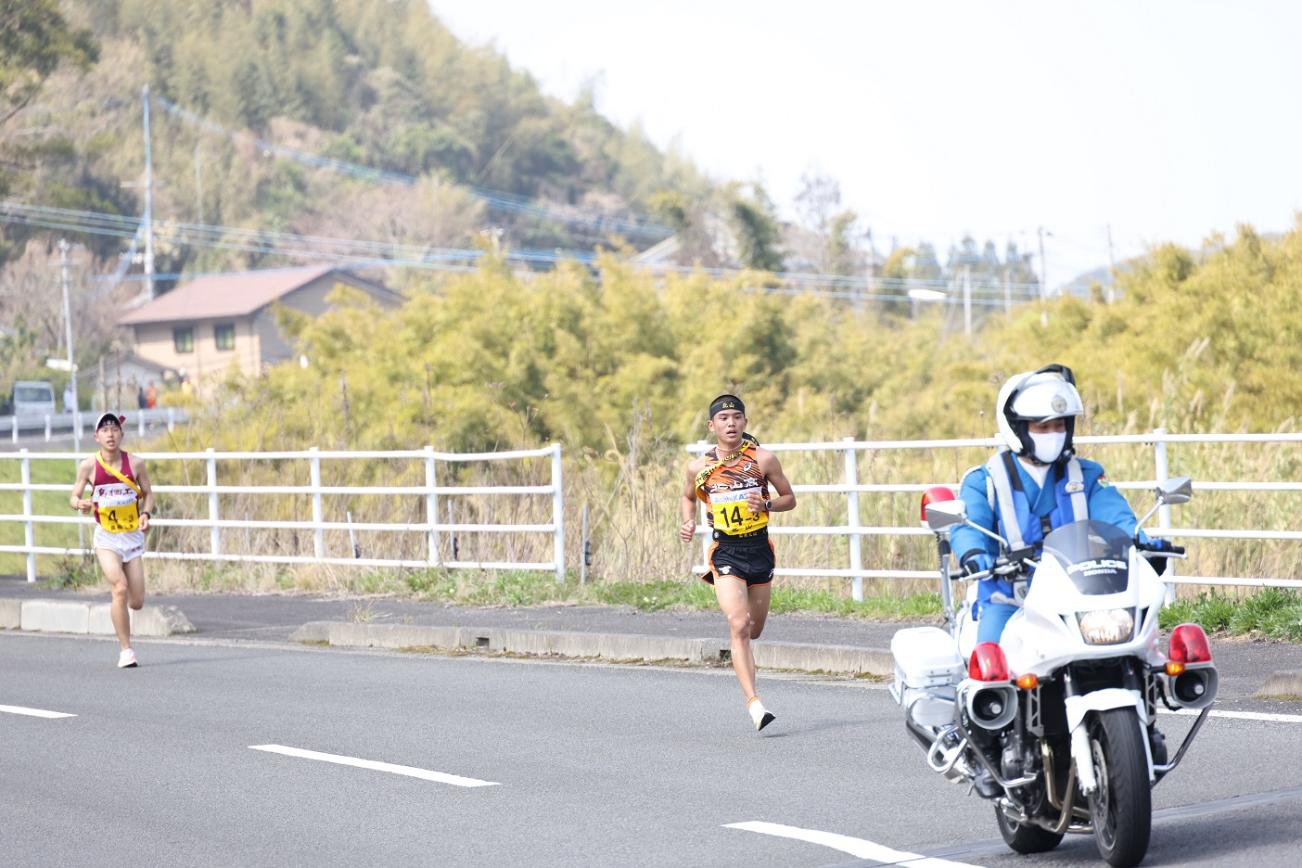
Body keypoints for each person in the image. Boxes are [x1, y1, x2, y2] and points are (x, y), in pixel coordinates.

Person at [951, 364, 1171, 645]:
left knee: (1141, 651)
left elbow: (1115, 515)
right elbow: (968, 525)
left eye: (1059, 425)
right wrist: (973, 554)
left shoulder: (1088, 475)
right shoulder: (985, 481)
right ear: (1017, 428)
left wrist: (1141, 539)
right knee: (990, 665)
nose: (1052, 433)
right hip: (1009, 598)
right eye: (1042, 426)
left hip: (1080, 598)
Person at [681, 394, 795, 731]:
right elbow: (688, 497)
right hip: (725, 552)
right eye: (723, 418)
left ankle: (751, 685)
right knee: (739, 624)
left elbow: (789, 498)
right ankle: (755, 704)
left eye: (736, 417)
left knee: (755, 629)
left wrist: (767, 505)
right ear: (711, 425)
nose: (731, 423)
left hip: (759, 550)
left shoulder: (763, 459)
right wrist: (688, 522)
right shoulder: (698, 468)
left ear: (745, 422)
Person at [69, 412, 155, 668]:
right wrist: (80, 503)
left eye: (114, 429)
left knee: (136, 601)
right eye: (104, 430)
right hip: (106, 538)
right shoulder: (88, 466)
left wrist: (146, 514)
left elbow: (149, 494)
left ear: (121, 434)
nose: (110, 434)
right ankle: (126, 650)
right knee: (119, 587)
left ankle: (124, 613)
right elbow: (73, 496)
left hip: (131, 537)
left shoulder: (136, 463)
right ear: (96, 437)